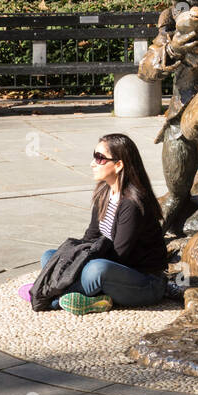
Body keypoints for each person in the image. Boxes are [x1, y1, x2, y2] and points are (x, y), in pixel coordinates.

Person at [38, 134, 168, 315]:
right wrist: (71, 261)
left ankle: (51, 297)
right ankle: (92, 299)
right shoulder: (104, 193)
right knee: (51, 256)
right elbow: (90, 237)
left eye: (99, 158)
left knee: (96, 269)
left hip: (145, 282)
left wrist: (73, 271)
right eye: (94, 156)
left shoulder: (132, 204)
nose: (93, 163)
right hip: (110, 265)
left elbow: (119, 255)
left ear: (119, 165)